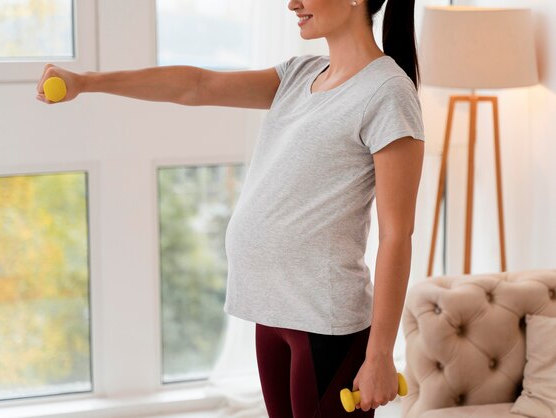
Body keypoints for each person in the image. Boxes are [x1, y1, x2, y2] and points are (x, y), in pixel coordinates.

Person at [37, 0, 425, 416]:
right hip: (270, 311)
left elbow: (395, 234)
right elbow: (196, 86)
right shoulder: (300, 75)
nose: (291, 3)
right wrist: (86, 81)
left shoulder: (387, 91)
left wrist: (380, 353)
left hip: (324, 322)